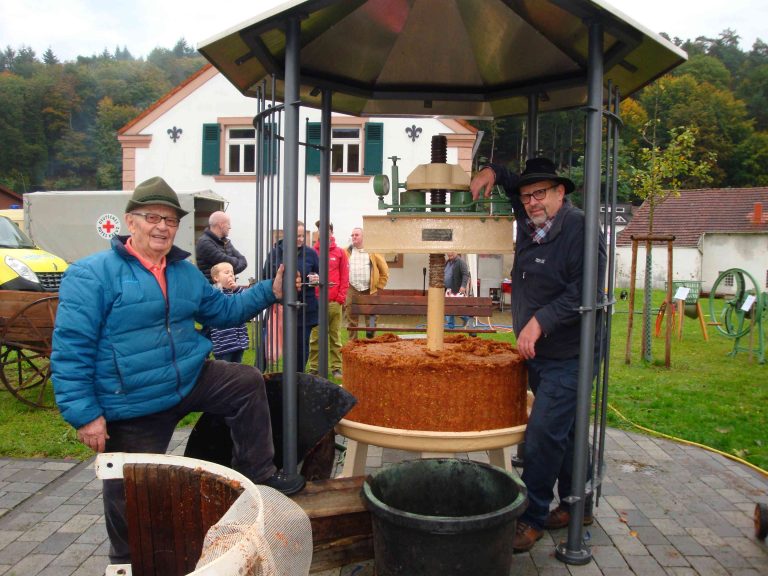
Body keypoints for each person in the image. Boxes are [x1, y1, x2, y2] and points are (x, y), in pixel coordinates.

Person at [51, 176, 305, 566]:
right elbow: (71, 349)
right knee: (128, 493)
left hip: (187, 380)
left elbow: (224, 312)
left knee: (245, 381)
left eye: (170, 220)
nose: (162, 226)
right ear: (130, 221)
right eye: (152, 217)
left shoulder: (184, 273)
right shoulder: (92, 275)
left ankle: (259, 475)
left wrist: (269, 290)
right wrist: (86, 415)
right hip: (132, 400)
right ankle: (128, 562)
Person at [470, 157, 606, 553]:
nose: (532, 202)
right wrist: (491, 173)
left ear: (561, 193)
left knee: (543, 432)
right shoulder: (530, 222)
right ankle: (576, 504)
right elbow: (512, 181)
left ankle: (531, 518)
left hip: (572, 351)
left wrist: (539, 321)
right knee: (565, 427)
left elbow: (588, 292)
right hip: (539, 354)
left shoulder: (579, 229)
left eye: (541, 193)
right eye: (527, 196)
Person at [263, 221, 319, 372]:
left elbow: (318, 274)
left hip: (304, 309)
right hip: (280, 308)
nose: (301, 239)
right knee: (269, 345)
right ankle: (260, 376)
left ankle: (297, 377)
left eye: (303, 235)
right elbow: (265, 276)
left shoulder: (311, 253)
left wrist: (315, 278)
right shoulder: (275, 253)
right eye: (297, 236)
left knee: (301, 347)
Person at [306, 222, 349, 378]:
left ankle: (336, 368)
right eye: (320, 231)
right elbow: (308, 275)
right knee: (315, 337)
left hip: (333, 302)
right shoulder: (311, 252)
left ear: (332, 233)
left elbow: (345, 276)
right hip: (316, 302)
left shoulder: (340, 253)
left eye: (327, 231)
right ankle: (314, 368)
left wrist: (340, 298)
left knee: (335, 337)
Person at [345, 226, 389, 339]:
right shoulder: (346, 251)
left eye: (356, 235)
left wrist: (379, 287)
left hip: (370, 290)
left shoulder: (373, 252)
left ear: (363, 237)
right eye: (352, 235)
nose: (354, 237)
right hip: (351, 289)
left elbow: (384, 271)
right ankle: (352, 344)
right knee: (351, 318)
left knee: (371, 319)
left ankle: (370, 345)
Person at [209, 261, 250, 363]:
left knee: (237, 369)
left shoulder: (235, 292)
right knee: (225, 371)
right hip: (224, 344)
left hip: (239, 342)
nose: (231, 275)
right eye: (226, 272)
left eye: (232, 272)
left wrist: (236, 288)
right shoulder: (214, 293)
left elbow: (247, 299)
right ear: (216, 278)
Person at [196, 210, 247, 282]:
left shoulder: (226, 242)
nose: (230, 227)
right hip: (211, 290)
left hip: (228, 289)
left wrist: (227, 272)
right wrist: (236, 260)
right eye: (228, 224)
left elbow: (244, 261)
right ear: (221, 224)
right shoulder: (205, 243)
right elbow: (226, 262)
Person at [443, 252, 472, 329]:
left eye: (452, 252)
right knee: (448, 310)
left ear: (456, 252)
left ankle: (466, 318)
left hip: (457, 291)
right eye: (448, 252)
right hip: (448, 290)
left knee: (458, 310)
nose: (450, 254)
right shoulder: (447, 262)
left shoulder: (461, 262)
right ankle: (450, 328)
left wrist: (463, 286)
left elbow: (465, 274)